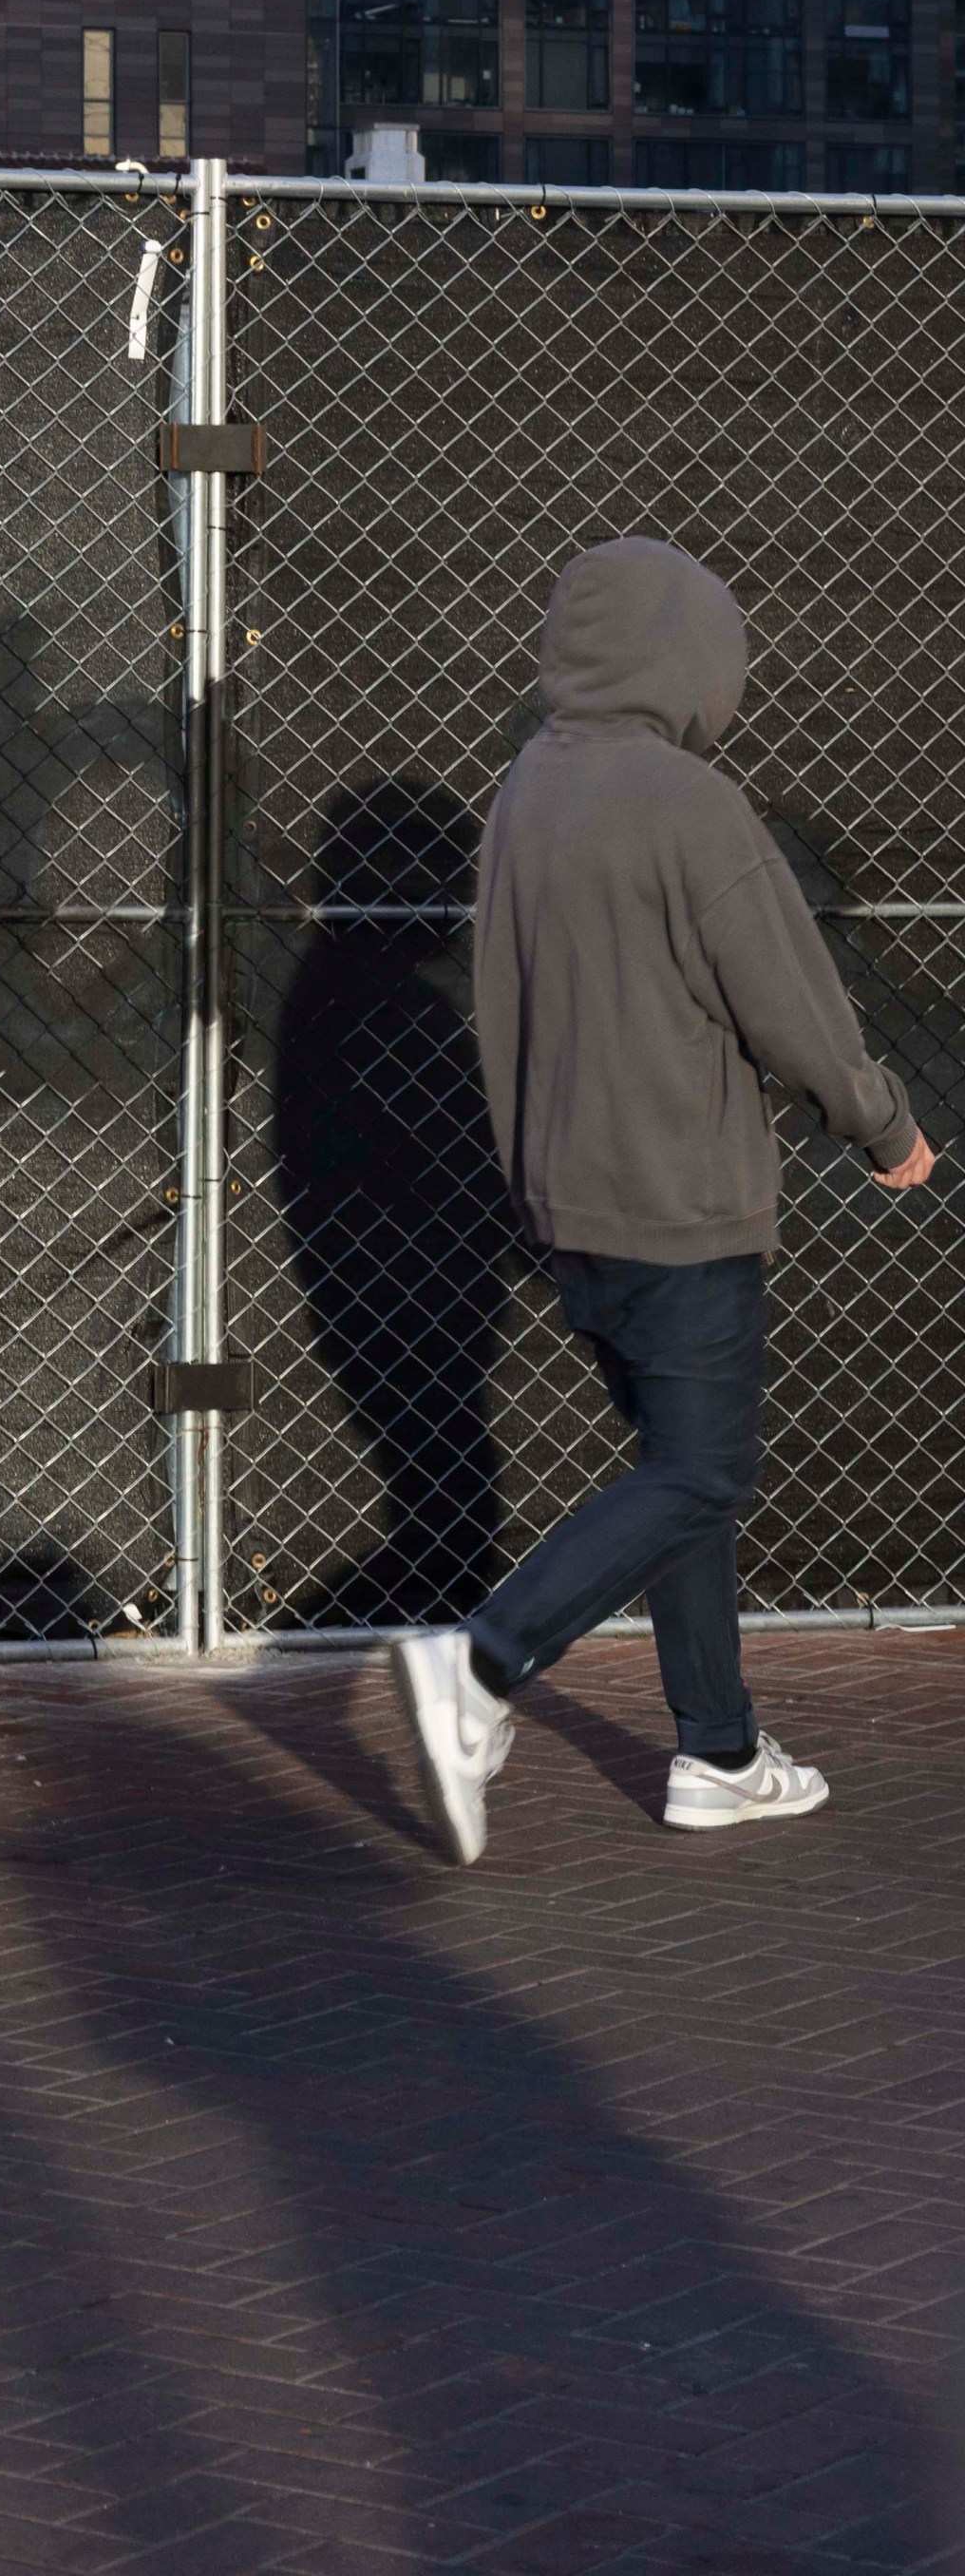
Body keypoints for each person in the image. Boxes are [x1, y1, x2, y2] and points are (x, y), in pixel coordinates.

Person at [391, 538, 931, 1867]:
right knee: (705, 1470)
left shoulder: (528, 789)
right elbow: (792, 1003)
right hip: (683, 1204)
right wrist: (885, 1126)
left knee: (678, 1478)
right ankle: (486, 1665)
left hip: (570, 1208)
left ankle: (720, 1751)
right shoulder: (691, 803)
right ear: (693, 661)